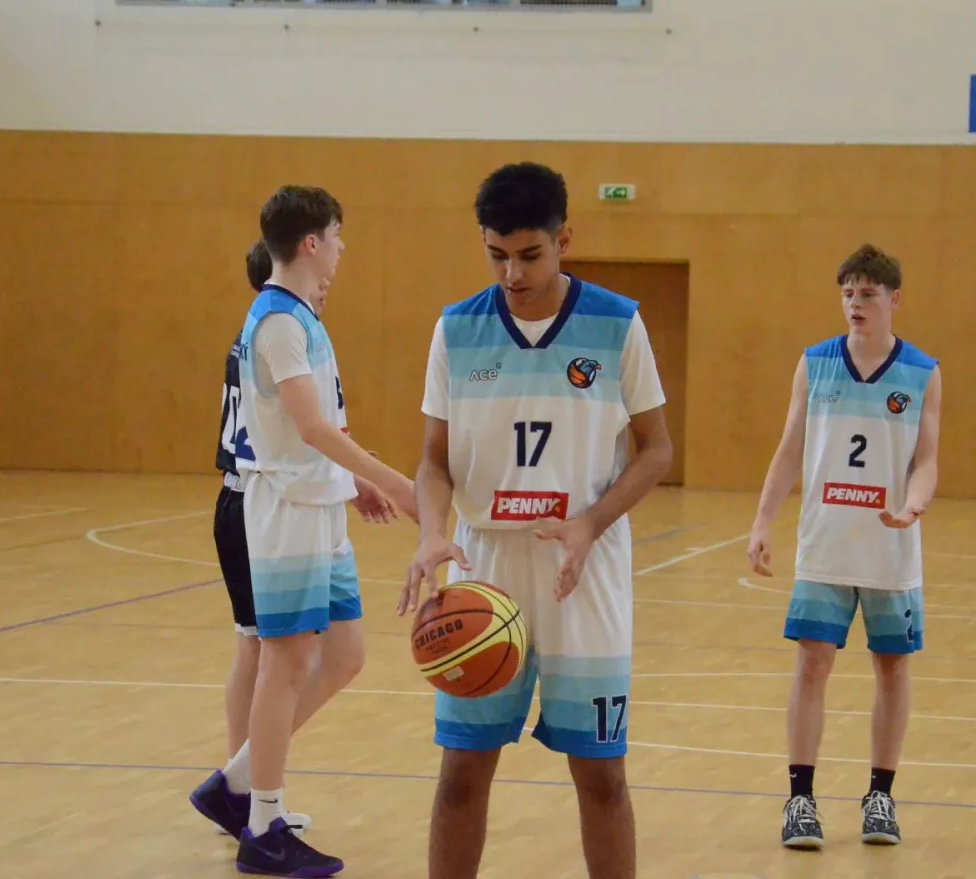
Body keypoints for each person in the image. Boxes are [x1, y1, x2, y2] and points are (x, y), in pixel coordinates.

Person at [399, 162, 673, 879]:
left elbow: (657, 449)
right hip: (485, 566)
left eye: (529, 255)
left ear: (563, 240)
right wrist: (432, 532)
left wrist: (591, 522)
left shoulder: (618, 324)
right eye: (496, 255)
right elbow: (433, 461)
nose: (512, 274)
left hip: (584, 566)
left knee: (602, 775)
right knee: (463, 771)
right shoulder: (456, 330)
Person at [230, 190, 419, 877]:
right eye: (336, 235)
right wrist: (395, 482)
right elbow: (309, 428)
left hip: (320, 504)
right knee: (285, 666)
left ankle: (234, 781)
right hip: (289, 509)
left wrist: (352, 480)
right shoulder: (278, 321)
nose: (342, 247)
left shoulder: (302, 315)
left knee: (345, 655)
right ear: (311, 242)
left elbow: (319, 425)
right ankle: (262, 826)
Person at [188, 240, 396, 844]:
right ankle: (249, 797)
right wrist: (374, 479)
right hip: (254, 497)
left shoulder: (294, 333)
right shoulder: (274, 334)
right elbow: (293, 436)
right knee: (261, 651)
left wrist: (349, 480)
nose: (329, 280)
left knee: (287, 654)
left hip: (287, 494)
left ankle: (243, 787)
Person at [745, 243, 943, 851]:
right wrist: (762, 521)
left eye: (867, 294)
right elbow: (790, 449)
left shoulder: (922, 372)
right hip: (825, 547)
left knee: (892, 666)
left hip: (890, 552)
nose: (855, 304)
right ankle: (800, 800)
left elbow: (927, 459)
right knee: (813, 663)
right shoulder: (815, 364)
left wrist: (914, 505)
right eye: (847, 294)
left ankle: (881, 795)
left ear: (894, 299)